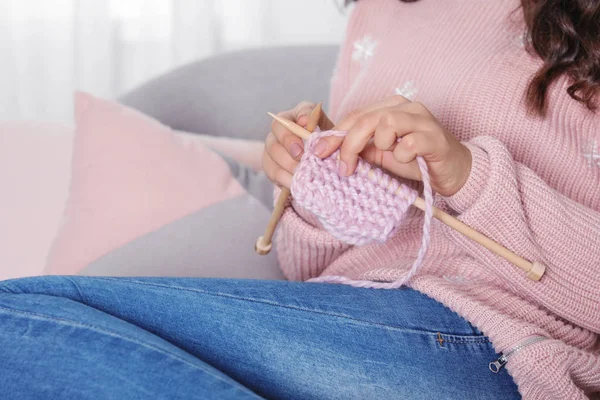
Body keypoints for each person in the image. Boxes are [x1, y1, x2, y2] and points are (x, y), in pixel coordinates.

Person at [1, 0, 598, 398]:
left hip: (500, 346)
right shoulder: (381, 10)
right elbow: (313, 271)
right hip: (352, 316)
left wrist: (465, 174)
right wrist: (311, 185)